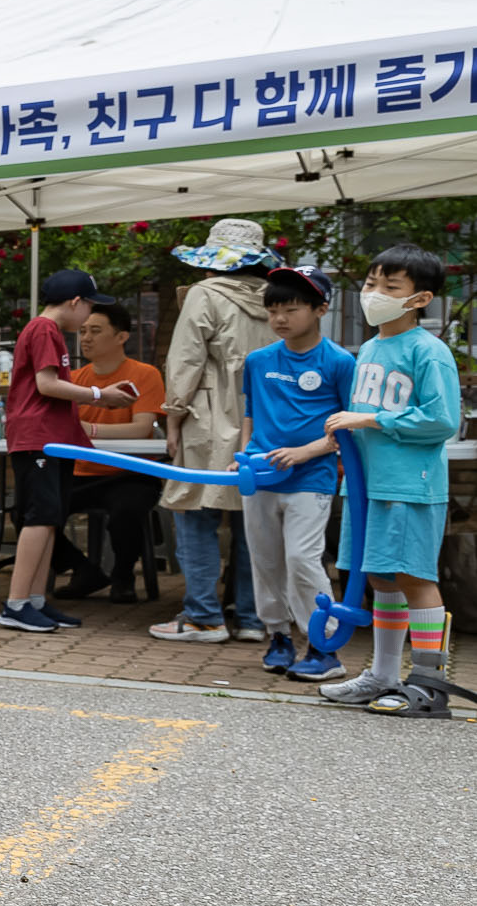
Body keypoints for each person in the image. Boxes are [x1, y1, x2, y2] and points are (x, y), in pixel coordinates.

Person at [318, 244, 462, 713]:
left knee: (413, 576)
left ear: (419, 299)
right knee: (381, 576)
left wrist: (372, 421)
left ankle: (428, 684)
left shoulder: (429, 350)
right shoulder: (372, 348)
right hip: (366, 487)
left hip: (409, 484)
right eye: (369, 283)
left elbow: (442, 420)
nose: (373, 293)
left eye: (388, 286)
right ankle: (382, 675)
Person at [153, 218, 278, 645]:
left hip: (207, 415)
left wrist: (173, 416)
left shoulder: (205, 295)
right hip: (264, 419)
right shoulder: (278, 300)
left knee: (193, 510)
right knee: (252, 519)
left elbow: (185, 360)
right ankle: (252, 617)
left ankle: (203, 615)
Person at [0, 270, 137, 633]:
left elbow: (50, 383)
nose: (88, 316)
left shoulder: (46, 331)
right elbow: (46, 385)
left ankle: (36, 601)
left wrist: (99, 394)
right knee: (40, 519)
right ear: (76, 302)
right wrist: (99, 396)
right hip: (39, 438)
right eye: (89, 306)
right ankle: (15, 604)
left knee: (50, 520)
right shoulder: (44, 330)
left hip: (50, 438)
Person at [237, 267, 355, 682]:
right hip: (259, 478)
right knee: (265, 560)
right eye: (273, 310)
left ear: (321, 309)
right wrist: (245, 454)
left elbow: (347, 427)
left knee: (302, 559)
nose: (280, 319)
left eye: (291, 308)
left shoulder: (340, 362)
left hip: (313, 478)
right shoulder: (257, 360)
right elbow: (250, 416)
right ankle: (278, 636)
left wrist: (307, 451)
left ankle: (323, 646)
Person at [51, 299, 167, 604]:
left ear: (121, 337)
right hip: (79, 473)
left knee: (127, 510)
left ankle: (123, 576)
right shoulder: (72, 380)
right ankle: (81, 569)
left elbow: (141, 428)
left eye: (96, 331)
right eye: (84, 330)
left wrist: (91, 430)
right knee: (28, 508)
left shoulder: (145, 374)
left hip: (130, 473)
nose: (86, 337)